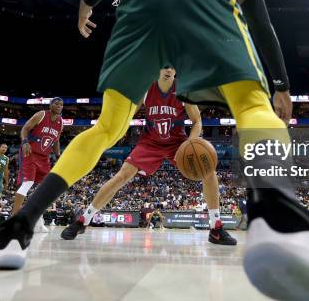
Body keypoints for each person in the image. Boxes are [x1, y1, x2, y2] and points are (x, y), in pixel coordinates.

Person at [0, 0, 309, 301]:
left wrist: (86, 7)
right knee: (251, 106)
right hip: (204, 4)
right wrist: (280, 84)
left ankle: (18, 228)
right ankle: (278, 220)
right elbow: (261, 23)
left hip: (141, 13)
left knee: (106, 128)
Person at [61, 66, 236, 246]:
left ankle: (215, 227)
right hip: (150, 142)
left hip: (177, 142)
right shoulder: (145, 88)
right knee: (122, 175)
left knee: (208, 170)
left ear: (176, 70)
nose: (168, 69)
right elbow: (126, 115)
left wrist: (190, 143)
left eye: (172, 66)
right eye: (165, 66)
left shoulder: (184, 90)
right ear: (158, 67)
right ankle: (83, 220)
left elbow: (197, 121)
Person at [13, 98, 64, 231]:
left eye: (61, 105)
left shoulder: (60, 122)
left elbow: (56, 141)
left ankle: (38, 221)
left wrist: (59, 156)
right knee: (28, 183)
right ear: (50, 105)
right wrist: (24, 142)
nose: (59, 106)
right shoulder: (41, 115)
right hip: (29, 152)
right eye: (56, 104)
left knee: (45, 189)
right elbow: (25, 129)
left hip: (44, 157)